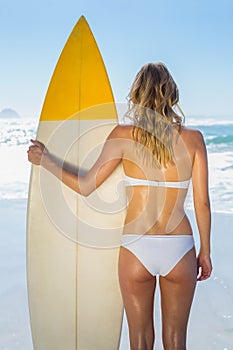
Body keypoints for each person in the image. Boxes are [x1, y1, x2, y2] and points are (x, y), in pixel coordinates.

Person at [27, 62, 212, 350]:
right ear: (172, 94)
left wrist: (46, 161)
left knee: (139, 340)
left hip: (136, 246)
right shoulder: (194, 140)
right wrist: (206, 251)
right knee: (176, 341)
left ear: (137, 95)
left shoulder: (123, 135)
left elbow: (87, 186)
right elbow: (202, 203)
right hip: (180, 247)